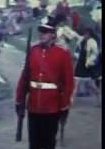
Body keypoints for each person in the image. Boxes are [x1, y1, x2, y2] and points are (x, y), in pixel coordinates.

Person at [15, 18, 74, 149]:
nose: (42, 34)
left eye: (46, 32)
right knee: (34, 142)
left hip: (52, 106)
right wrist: (19, 99)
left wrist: (64, 103)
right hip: (33, 105)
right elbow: (24, 77)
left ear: (53, 34)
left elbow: (69, 81)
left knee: (48, 142)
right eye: (41, 31)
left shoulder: (63, 53)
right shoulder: (33, 50)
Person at [73, 27, 100, 106]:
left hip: (87, 66)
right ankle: (71, 102)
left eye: (87, 34)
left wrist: (90, 61)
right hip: (80, 65)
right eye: (84, 34)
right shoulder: (81, 41)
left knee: (92, 85)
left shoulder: (92, 42)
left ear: (89, 34)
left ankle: (99, 100)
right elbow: (77, 50)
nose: (85, 35)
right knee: (75, 85)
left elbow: (95, 53)